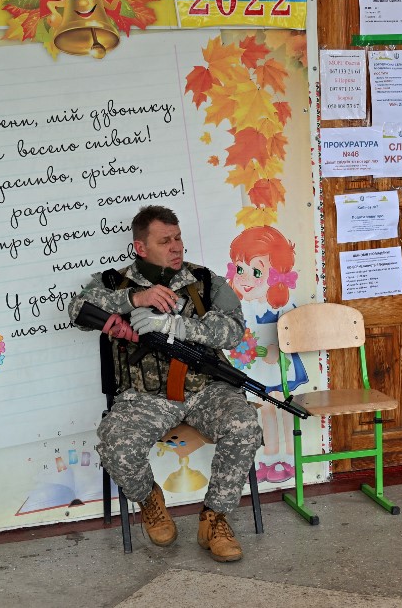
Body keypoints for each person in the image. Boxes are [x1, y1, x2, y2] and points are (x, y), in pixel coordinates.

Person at [68, 205, 262, 562]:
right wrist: (134, 300)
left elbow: (234, 331)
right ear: (141, 248)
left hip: (207, 388)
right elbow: (76, 310)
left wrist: (183, 328)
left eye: (178, 238)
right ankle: (148, 498)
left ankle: (215, 517)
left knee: (245, 425)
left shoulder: (205, 280)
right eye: (165, 241)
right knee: (117, 442)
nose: (176, 247)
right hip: (147, 395)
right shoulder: (115, 283)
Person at [226, 225, 304, 484]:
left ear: (276, 276)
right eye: (240, 269)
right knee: (264, 411)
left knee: (284, 408)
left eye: (256, 272)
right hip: (256, 370)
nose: (246, 279)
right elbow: (238, 333)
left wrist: (276, 348)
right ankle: (269, 458)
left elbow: (295, 332)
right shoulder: (241, 306)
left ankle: (291, 459)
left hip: (279, 368)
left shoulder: (283, 305)